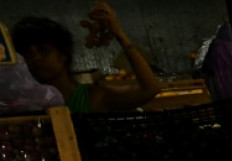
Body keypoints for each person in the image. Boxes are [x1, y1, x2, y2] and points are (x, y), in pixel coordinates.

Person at [13, 1, 159, 113]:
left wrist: (119, 34)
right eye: (27, 53)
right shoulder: (23, 103)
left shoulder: (94, 97)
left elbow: (150, 89)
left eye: (44, 50)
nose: (35, 58)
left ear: (64, 54)